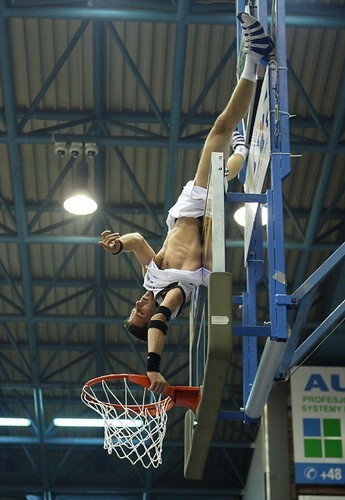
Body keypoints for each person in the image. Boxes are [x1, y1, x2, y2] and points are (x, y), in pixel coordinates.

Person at [99, 12, 274, 393]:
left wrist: (116, 246)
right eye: (138, 313)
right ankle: (255, 59)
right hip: (198, 216)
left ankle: (243, 146)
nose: (139, 305)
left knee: (224, 167)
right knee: (220, 130)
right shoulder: (175, 295)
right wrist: (153, 367)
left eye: (135, 308)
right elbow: (162, 318)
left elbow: (136, 241)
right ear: (150, 322)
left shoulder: (151, 277)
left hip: (183, 211)